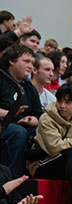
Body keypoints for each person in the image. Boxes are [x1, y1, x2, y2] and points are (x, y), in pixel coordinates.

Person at [0, 44, 43, 177]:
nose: (30, 66)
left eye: (32, 62)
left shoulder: (29, 87)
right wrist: (9, 113)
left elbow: (39, 114)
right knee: (19, 132)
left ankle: (35, 173)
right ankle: (12, 179)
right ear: (11, 61)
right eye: (26, 61)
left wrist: (31, 120)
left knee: (42, 132)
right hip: (3, 124)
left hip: (21, 125)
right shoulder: (2, 78)